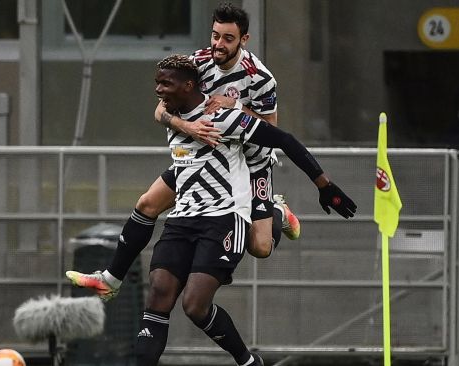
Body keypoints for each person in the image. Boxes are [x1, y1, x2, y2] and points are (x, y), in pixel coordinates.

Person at [66, 2, 301, 301]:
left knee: (260, 247)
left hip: (249, 164)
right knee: (147, 203)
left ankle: (277, 210)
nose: (218, 44)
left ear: (244, 40)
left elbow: (273, 132)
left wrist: (237, 107)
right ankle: (111, 279)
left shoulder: (261, 78)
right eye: (215, 36)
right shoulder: (198, 62)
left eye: (228, 39)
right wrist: (187, 128)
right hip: (200, 158)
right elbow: (160, 111)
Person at [133, 54, 356, 366]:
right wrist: (181, 123)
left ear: (188, 86)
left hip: (228, 210)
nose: (158, 90)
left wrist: (324, 184)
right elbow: (160, 112)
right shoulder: (178, 104)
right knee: (158, 292)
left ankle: (247, 362)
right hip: (183, 216)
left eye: (164, 84)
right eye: (157, 82)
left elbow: (283, 138)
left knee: (201, 299)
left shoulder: (235, 106)